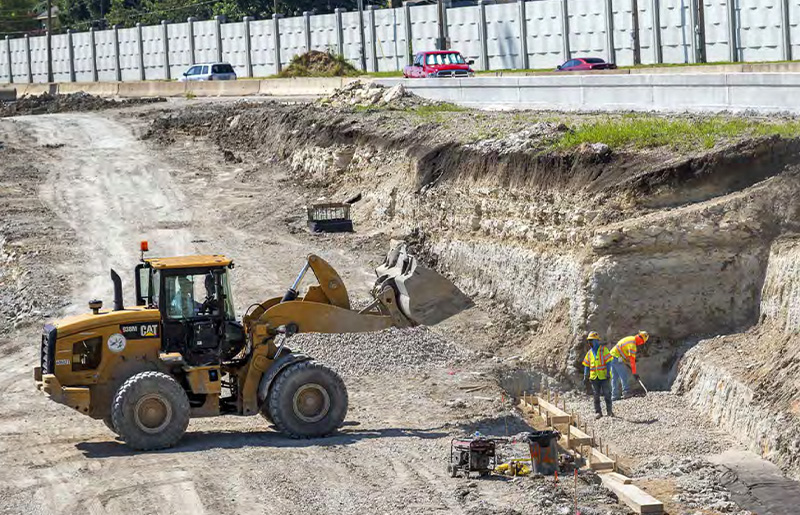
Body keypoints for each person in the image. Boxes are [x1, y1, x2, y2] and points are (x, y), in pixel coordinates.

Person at [609, 330, 649, 401]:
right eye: (642, 342)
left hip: (611, 356)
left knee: (614, 377)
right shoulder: (632, 345)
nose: (641, 344)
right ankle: (626, 392)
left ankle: (614, 395)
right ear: (641, 339)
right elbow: (632, 361)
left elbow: (624, 353)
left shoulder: (630, 338)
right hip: (616, 357)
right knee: (624, 375)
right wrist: (634, 373)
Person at [582, 331, 613, 419]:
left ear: (596, 341)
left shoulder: (604, 350)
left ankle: (609, 411)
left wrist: (607, 372)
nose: (589, 342)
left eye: (591, 340)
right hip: (594, 378)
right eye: (589, 341)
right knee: (596, 395)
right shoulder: (589, 353)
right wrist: (585, 376)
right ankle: (598, 412)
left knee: (607, 394)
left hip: (604, 377)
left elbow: (608, 362)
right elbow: (586, 365)